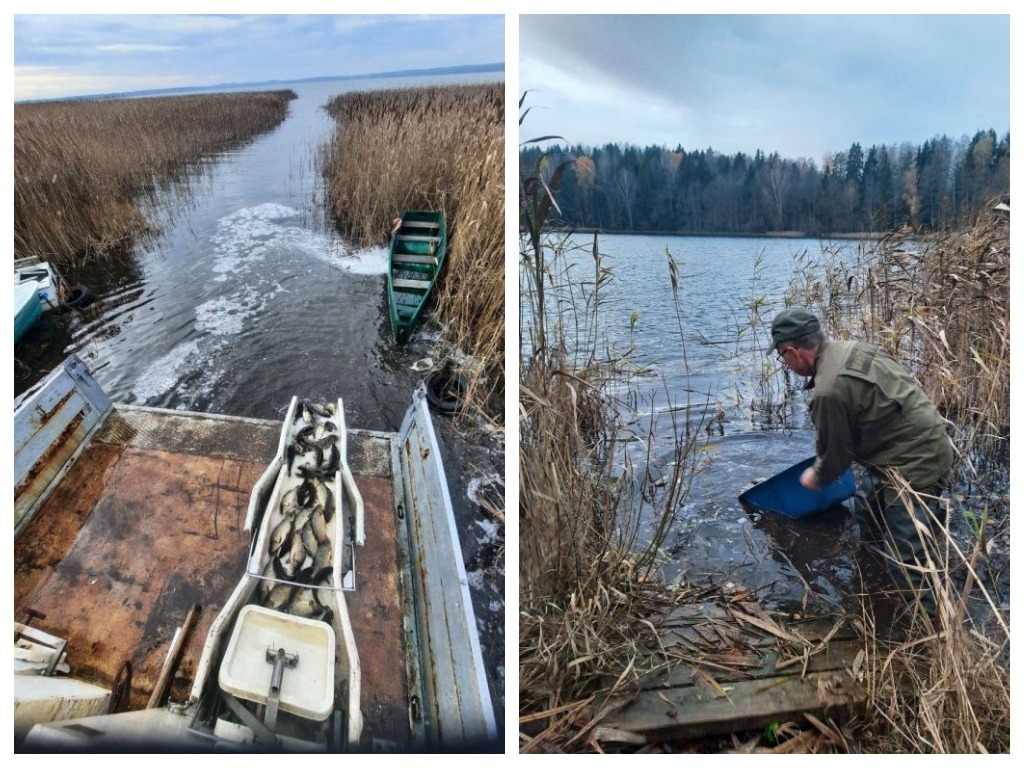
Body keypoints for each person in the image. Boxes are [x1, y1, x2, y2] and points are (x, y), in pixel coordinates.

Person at [771, 308, 953, 613]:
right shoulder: (853, 349)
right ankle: (875, 589)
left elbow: (835, 459)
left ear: (793, 351)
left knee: (908, 555)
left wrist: (814, 477)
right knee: (867, 514)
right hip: (906, 445)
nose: (786, 365)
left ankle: (928, 629)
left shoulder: (828, 390)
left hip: (916, 461)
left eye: (782, 357)